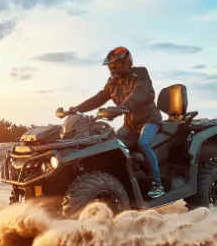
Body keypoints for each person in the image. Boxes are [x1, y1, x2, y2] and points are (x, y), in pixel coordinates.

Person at [69, 46, 165, 199]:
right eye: (110, 66)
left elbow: (140, 92)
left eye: (116, 65)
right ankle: (126, 180)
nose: (112, 69)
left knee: (144, 143)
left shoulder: (140, 73)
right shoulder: (113, 82)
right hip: (130, 125)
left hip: (149, 121)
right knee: (113, 145)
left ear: (127, 62)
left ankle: (157, 184)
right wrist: (77, 109)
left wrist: (121, 108)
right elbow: (99, 98)